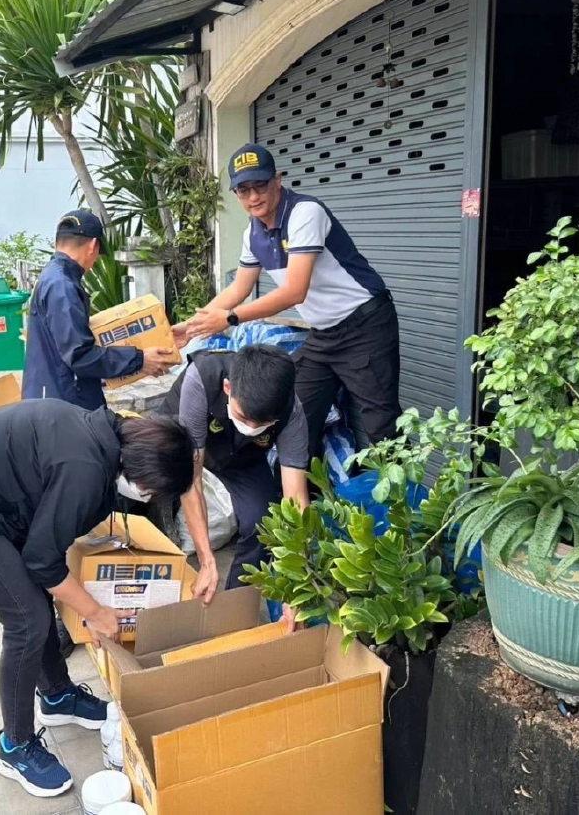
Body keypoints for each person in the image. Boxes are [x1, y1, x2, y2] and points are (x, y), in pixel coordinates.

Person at [0, 400, 193, 798]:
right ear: (143, 476)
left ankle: (57, 696)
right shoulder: (85, 469)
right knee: (25, 619)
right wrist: (95, 612)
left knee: (35, 601)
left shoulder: (111, 435)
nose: (148, 499)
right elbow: (43, 562)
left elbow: (45, 552)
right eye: (153, 492)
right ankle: (15, 745)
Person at [176, 143, 403, 463]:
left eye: (260, 185)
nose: (253, 197)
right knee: (297, 413)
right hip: (324, 334)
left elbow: (294, 291)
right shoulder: (252, 234)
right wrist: (190, 327)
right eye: (243, 190)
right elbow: (239, 289)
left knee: (382, 424)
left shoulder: (305, 213)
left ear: (277, 180)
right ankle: (303, 505)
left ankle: (402, 506)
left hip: (364, 326)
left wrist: (229, 319)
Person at [159, 345, 311, 601]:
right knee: (152, 487)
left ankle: (236, 603)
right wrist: (207, 562)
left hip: (242, 456)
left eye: (261, 424)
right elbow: (192, 479)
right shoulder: (203, 379)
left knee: (262, 518)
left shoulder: (291, 412)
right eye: (244, 416)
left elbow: (296, 499)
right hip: (183, 444)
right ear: (228, 389)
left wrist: (298, 584)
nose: (250, 427)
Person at [23, 210, 175, 409]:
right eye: (98, 255)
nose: (95, 263)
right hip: (63, 404)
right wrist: (139, 359)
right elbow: (79, 355)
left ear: (57, 243)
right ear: (93, 245)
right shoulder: (63, 286)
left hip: (50, 395)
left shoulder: (52, 277)